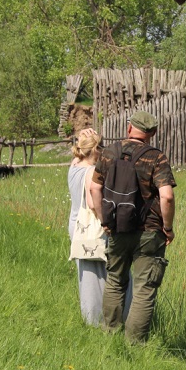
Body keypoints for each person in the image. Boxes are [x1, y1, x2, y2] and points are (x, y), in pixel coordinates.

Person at [90, 111, 176, 343]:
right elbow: (166, 197)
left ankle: (109, 335)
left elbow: (94, 188)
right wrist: (167, 228)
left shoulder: (109, 153)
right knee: (144, 289)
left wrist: (104, 220)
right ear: (153, 133)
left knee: (115, 280)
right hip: (149, 232)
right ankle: (135, 346)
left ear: (129, 128)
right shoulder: (156, 157)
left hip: (117, 228)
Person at [68, 129, 111, 325]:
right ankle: (99, 321)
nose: (102, 151)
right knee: (98, 277)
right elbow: (93, 203)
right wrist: (105, 222)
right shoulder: (92, 171)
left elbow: (75, 158)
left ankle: (91, 319)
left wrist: (80, 135)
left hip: (76, 226)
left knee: (85, 276)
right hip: (90, 228)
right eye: (100, 147)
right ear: (94, 149)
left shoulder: (74, 167)